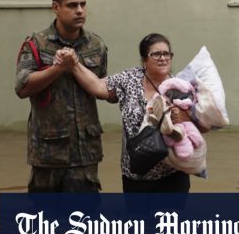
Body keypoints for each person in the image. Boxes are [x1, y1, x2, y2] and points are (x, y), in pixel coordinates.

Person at [56, 33, 208, 193]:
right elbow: (98, 87)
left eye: (167, 53)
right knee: (138, 218)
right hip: (136, 175)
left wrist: (185, 116)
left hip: (173, 174)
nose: (163, 58)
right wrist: (74, 64)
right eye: (156, 54)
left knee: (170, 218)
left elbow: (205, 124)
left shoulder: (181, 86)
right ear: (144, 59)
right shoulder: (129, 79)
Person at [15, 0, 109, 193]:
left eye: (83, 5)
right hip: (48, 152)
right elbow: (22, 87)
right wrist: (57, 68)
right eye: (72, 5)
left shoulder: (96, 45)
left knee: (84, 221)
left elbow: (102, 87)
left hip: (85, 153)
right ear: (56, 7)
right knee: (45, 222)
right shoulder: (36, 44)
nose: (79, 11)